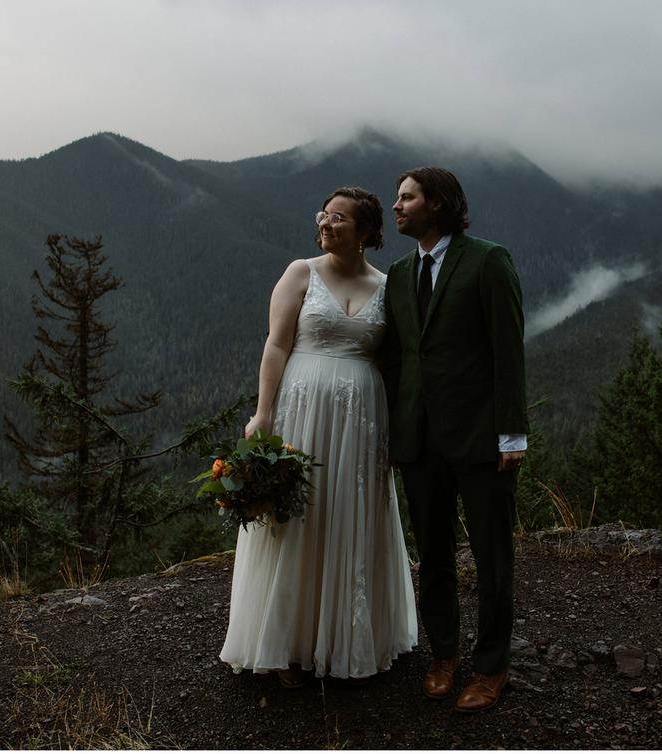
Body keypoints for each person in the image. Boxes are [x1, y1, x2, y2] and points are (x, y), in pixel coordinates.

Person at [219, 187, 418, 687]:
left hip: (364, 416)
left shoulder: (389, 284)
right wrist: (263, 414)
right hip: (301, 410)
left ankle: (349, 638)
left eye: (339, 218)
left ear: (368, 232)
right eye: (323, 215)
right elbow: (276, 344)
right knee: (297, 517)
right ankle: (285, 645)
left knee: (351, 514)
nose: (326, 224)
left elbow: (398, 358)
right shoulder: (301, 272)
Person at [381, 165, 528, 713]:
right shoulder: (398, 272)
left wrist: (512, 433)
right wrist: (397, 432)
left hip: (481, 436)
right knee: (434, 554)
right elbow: (399, 359)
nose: (396, 207)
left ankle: (492, 667)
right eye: (398, 199)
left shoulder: (488, 260)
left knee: (492, 556)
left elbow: (508, 350)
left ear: (437, 204)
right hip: (420, 440)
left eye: (407, 198)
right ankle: (443, 655)